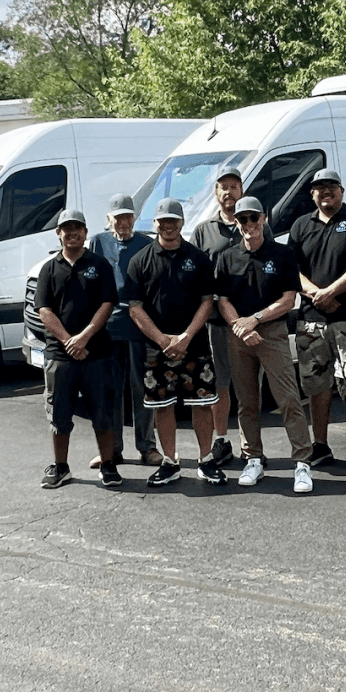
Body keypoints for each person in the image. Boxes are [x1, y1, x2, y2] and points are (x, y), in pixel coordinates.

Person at [212, 196, 314, 493]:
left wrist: (254, 320)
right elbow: (223, 300)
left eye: (253, 218)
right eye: (243, 219)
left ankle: (302, 463)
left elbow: (289, 299)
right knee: (246, 402)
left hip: (271, 332)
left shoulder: (282, 254)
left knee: (288, 399)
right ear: (236, 222)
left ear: (263, 218)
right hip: (239, 336)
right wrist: (240, 327)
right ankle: (253, 458)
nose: (249, 224)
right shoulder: (227, 256)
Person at [123, 198, 225, 487]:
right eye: (162, 221)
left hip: (195, 345)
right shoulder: (140, 260)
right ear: (155, 223)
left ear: (182, 223)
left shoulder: (198, 258)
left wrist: (185, 337)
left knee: (201, 404)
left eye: (173, 221)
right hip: (156, 349)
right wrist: (163, 340)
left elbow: (207, 302)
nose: (168, 226)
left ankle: (206, 459)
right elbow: (135, 308)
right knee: (163, 406)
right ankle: (170, 462)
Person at [289, 167, 346, 473]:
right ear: (311, 193)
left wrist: (331, 291)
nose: (325, 191)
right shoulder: (301, 225)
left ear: (342, 190)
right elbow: (292, 270)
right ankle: (320, 446)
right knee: (317, 386)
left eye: (331, 186)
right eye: (319, 187)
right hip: (312, 320)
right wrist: (317, 294)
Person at [35, 209, 120, 489]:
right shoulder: (49, 268)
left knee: (103, 412)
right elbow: (44, 310)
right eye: (66, 228)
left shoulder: (100, 265)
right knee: (59, 415)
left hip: (97, 353)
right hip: (60, 356)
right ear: (58, 233)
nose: (72, 233)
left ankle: (108, 465)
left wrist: (83, 338)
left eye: (77, 228)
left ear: (85, 232)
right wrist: (68, 341)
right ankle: (61, 467)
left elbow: (107, 303)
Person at [191, 166, 269, 468]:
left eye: (234, 186)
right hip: (217, 321)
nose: (228, 192)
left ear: (242, 190)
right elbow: (196, 274)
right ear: (216, 192)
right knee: (220, 383)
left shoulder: (256, 222)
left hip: (253, 319)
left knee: (250, 385)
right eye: (223, 187)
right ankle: (222, 440)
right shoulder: (204, 230)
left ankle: (252, 446)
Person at [88, 194, 160, 468]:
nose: (123, 222)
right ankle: (112, 449)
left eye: (128, 216)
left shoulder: (146, 243)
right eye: (118, 217)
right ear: (109, 219)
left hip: (139, 328)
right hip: (108, 328)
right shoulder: (98, 242)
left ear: (135, 217)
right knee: (110, 392)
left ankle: (147, 447)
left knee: (142, 389)